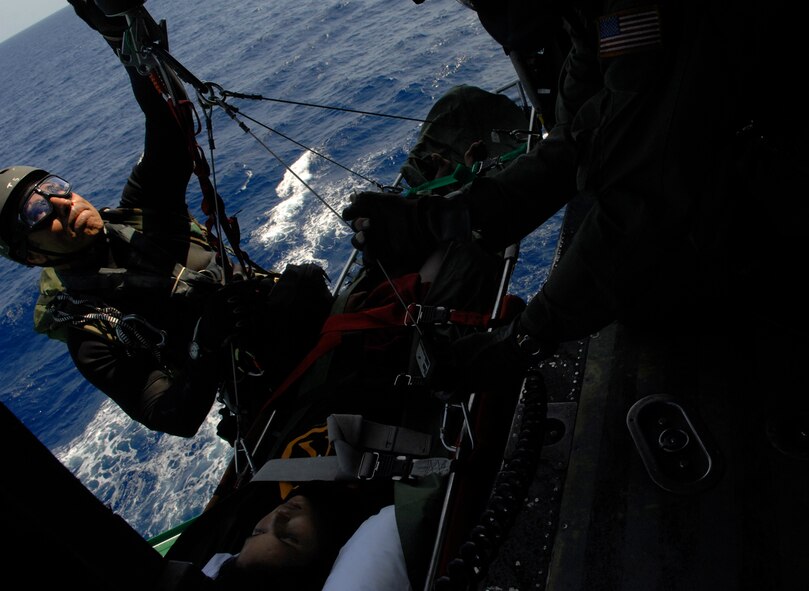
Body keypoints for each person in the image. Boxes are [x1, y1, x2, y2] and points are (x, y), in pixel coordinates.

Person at [343, 0, 809, 393]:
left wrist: (521, 341)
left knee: (660, 298)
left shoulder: (638, 8)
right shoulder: (593, 13)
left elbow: (645, 194)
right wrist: (443, 217)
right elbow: (576, 139)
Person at [0, 0, 332, 438]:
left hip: (310, 319)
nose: (60, 203)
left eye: (55, 188)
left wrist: (131, 50)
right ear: (31, 255)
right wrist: (206, 345)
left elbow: (170, 125)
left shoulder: (142, 212)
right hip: (277, 394)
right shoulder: (93, 334)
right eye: (36, 211)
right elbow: (171, 416)